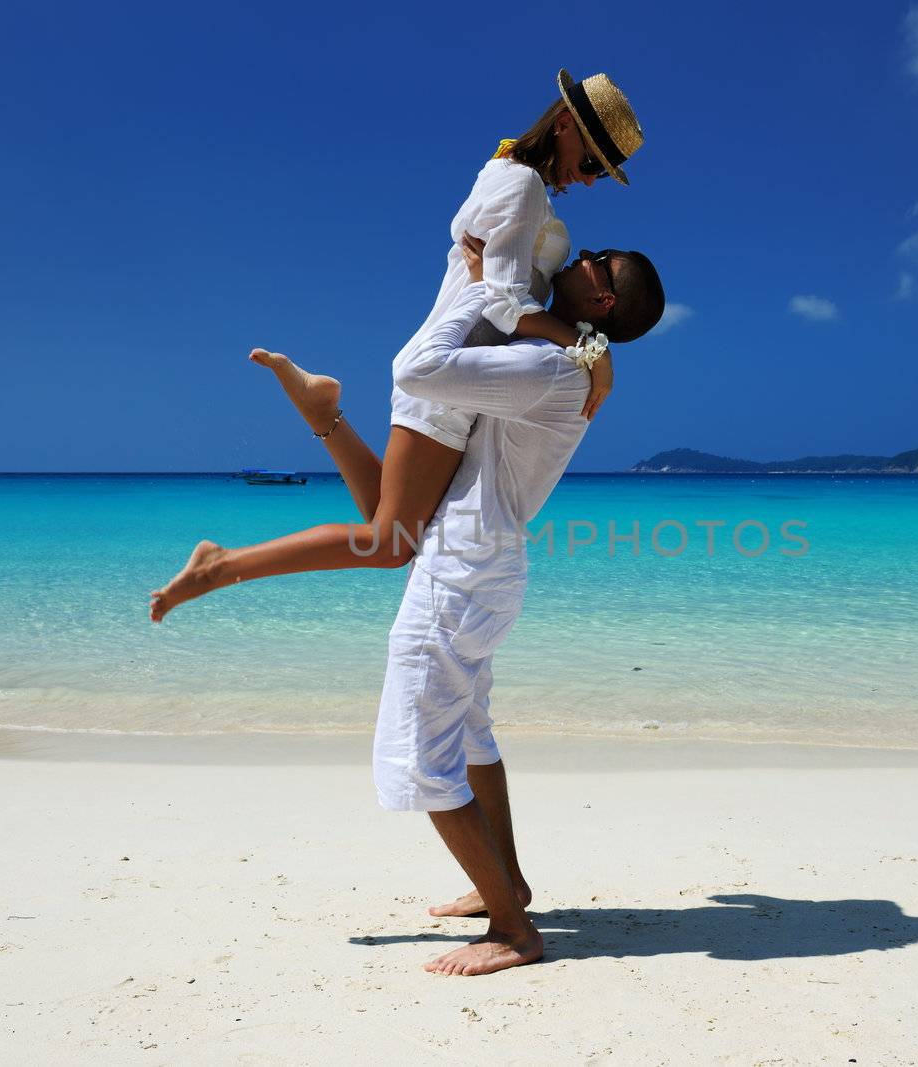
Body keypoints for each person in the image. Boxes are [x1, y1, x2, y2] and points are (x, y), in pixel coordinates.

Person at [154, 236, 666, 975]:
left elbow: (422, 370)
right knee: (468, 734)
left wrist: (484, 284)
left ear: (604, 300)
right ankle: (508, 886)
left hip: (464, 571)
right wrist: (575, 335)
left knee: (422, 753)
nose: (582, 254)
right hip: (480, 562)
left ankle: (516, 931)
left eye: (596, 261)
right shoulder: (565, 358)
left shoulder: (548, 367)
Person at [241, 69, 644, 586]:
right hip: (447, 372)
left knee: (392, 532)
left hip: (460, 369)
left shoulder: (514, 176)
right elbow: (504, 305)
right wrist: (593, 350)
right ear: (565, 124)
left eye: (601, 174)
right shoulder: (520, 183)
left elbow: (501, 294)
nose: (589, 179)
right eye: (592, 162)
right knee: (389, 545)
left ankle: (323, 413)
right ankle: (223, 565)